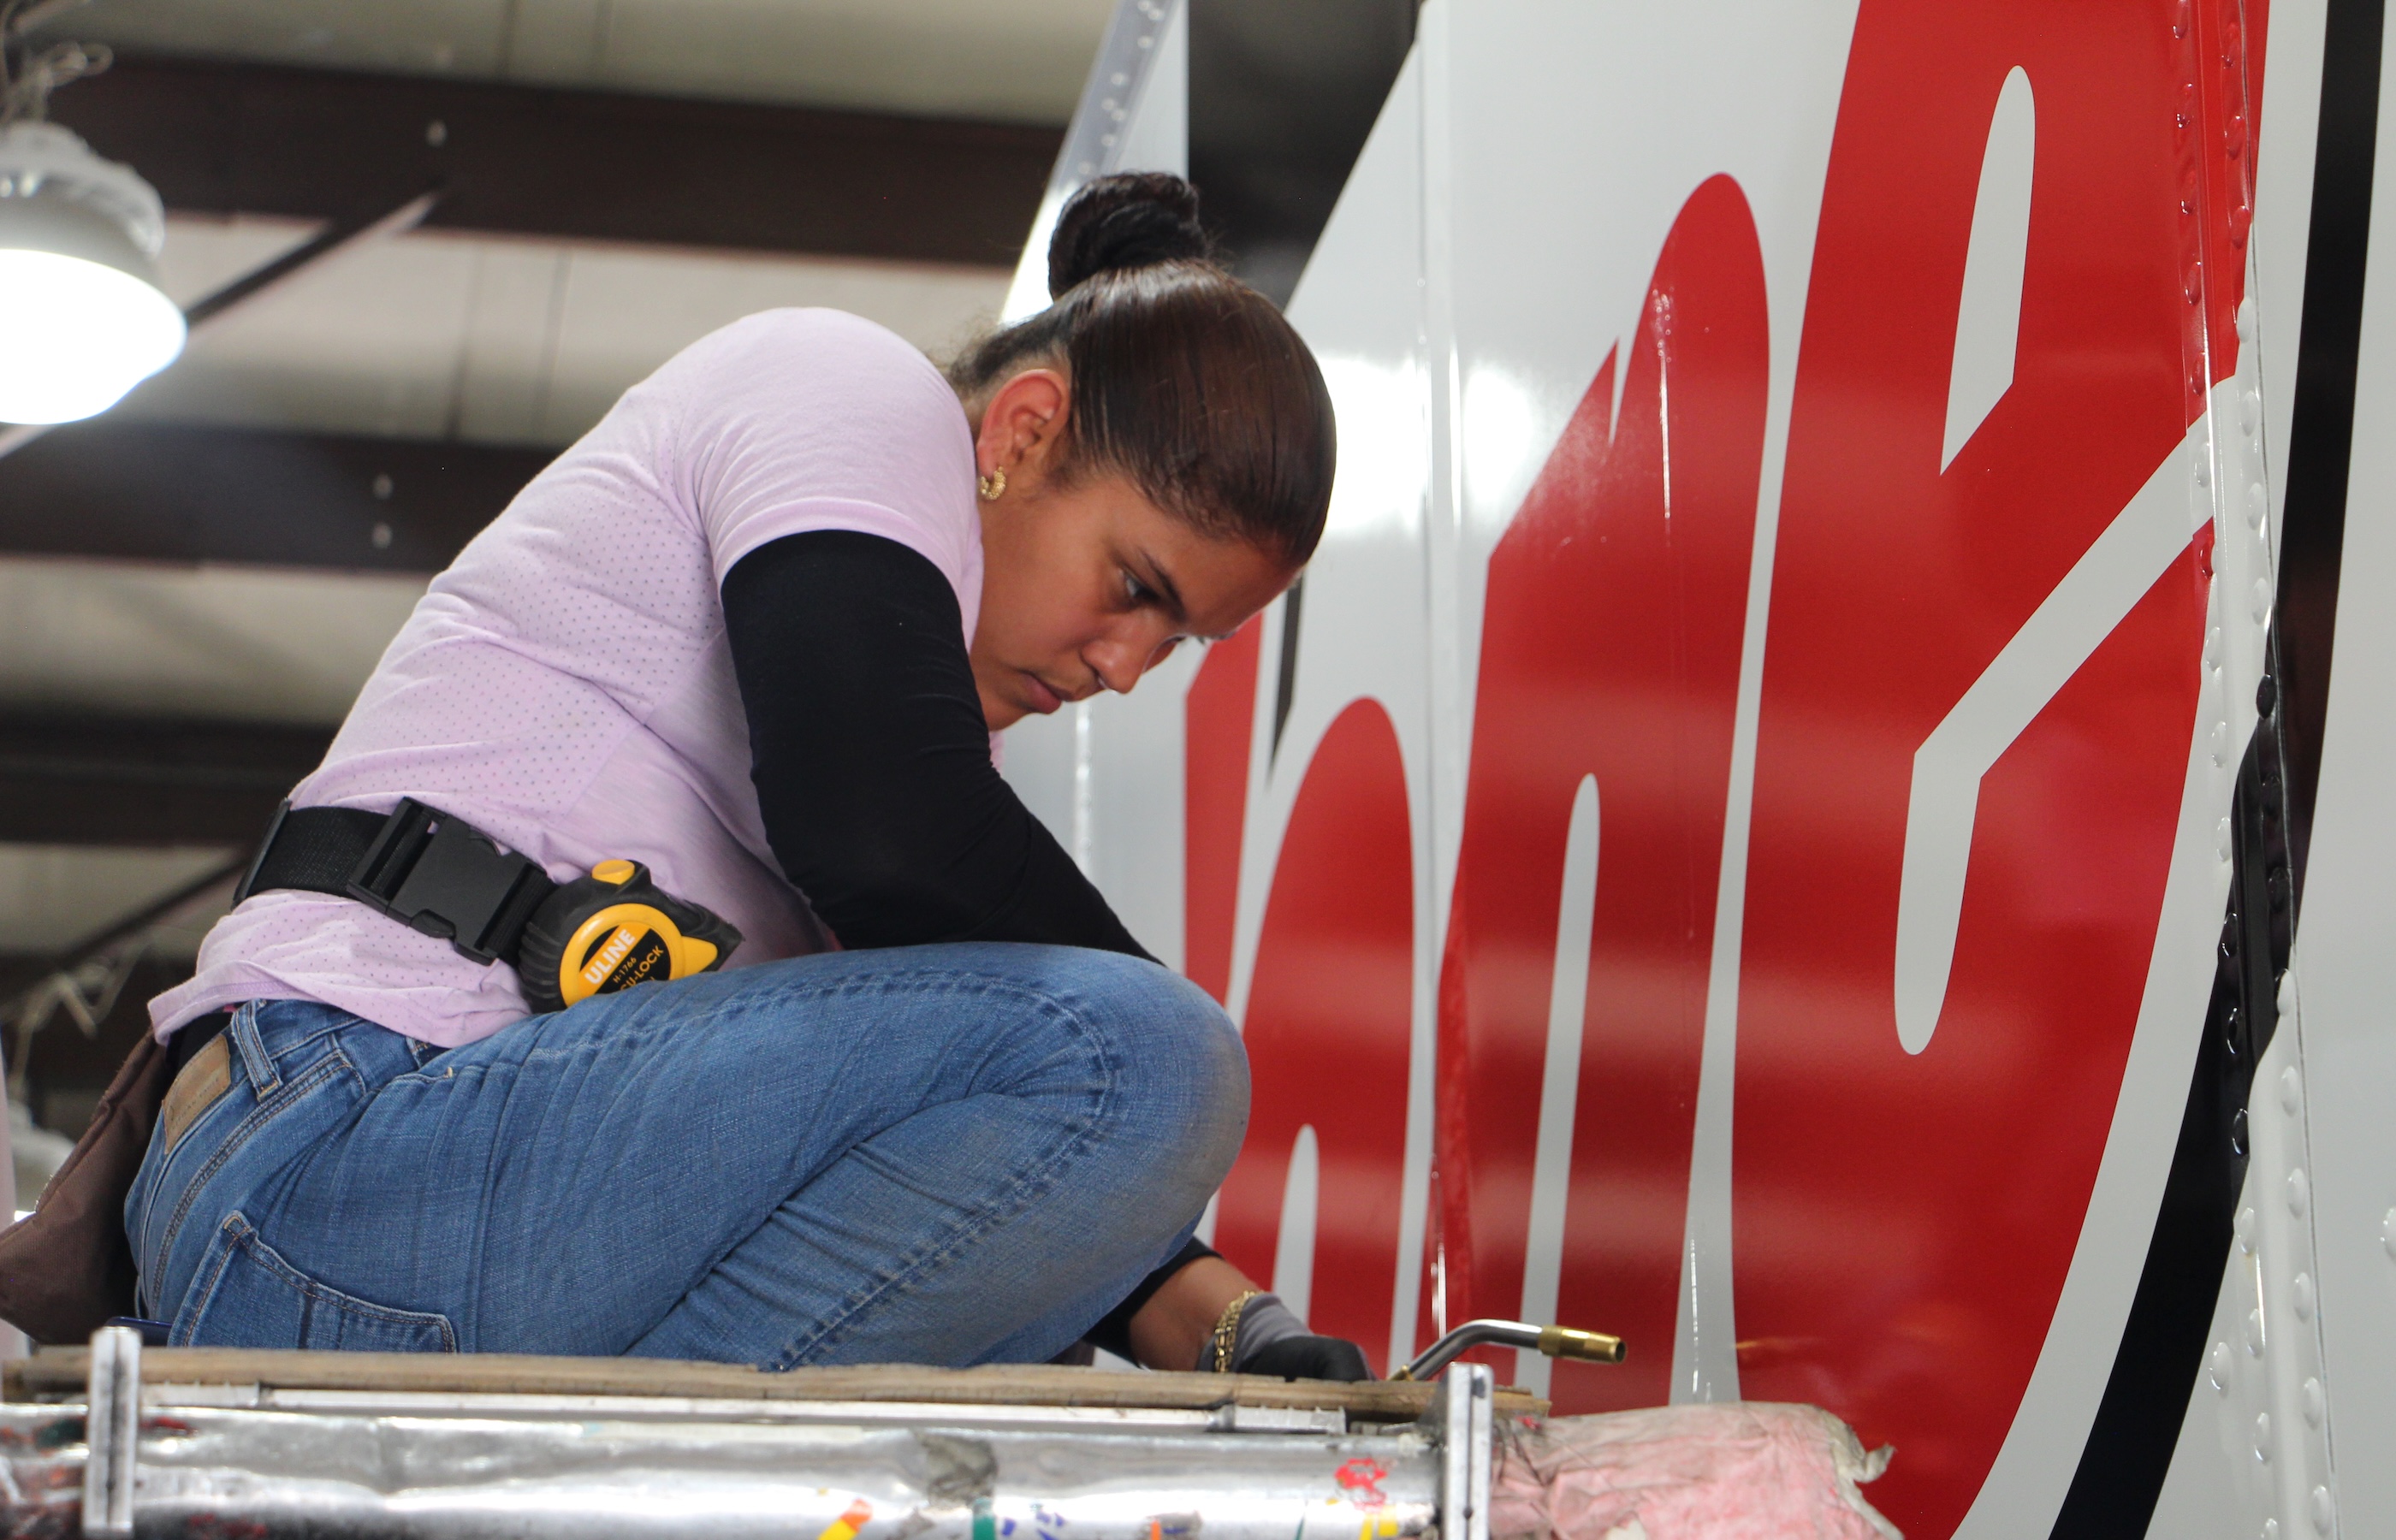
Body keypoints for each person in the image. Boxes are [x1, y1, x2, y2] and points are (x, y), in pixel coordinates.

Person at [123, 174, 1370, 1378]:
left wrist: (1232, 1328)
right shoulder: (854, 388)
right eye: (1136, 589)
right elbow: (888, 833)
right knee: (1149, 1053)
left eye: (1178, 640)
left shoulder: (880, 737)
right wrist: (1163, 1077)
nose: (1126, 667)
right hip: (344, 1154)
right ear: (1023, 430)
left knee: (1019, 1285)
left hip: (388, 1207)